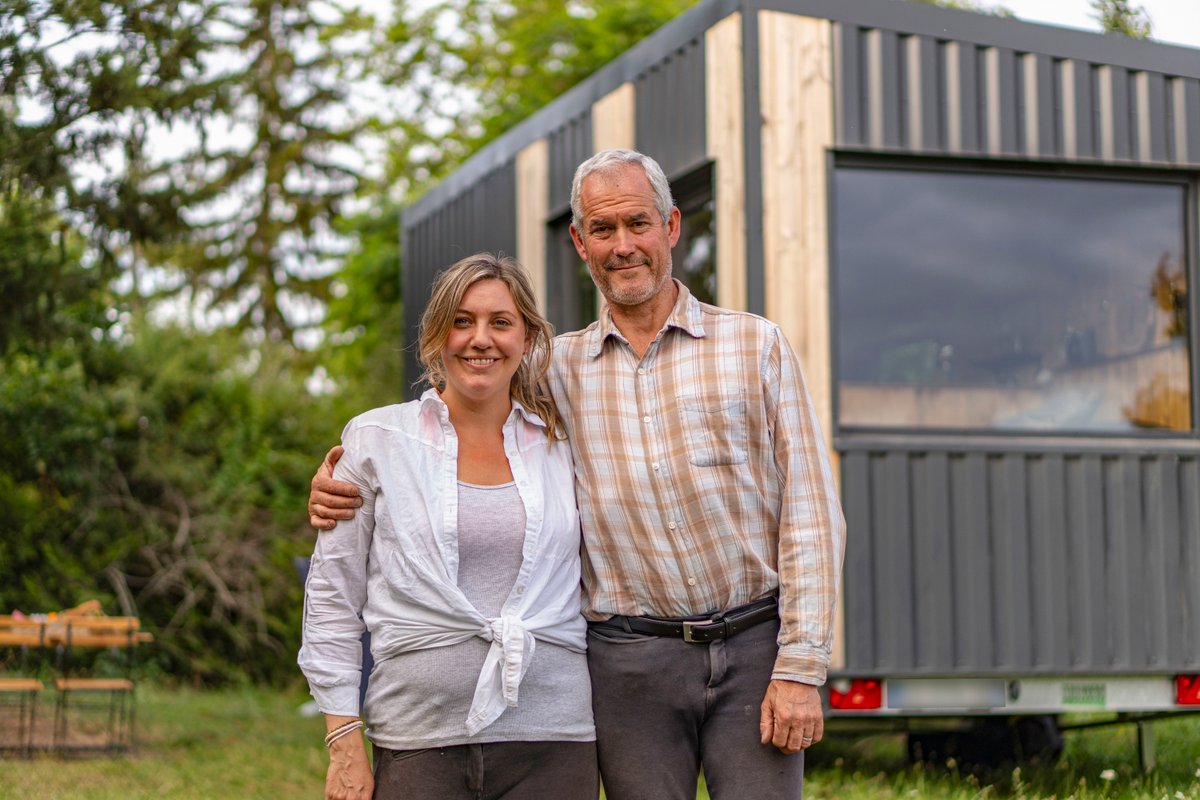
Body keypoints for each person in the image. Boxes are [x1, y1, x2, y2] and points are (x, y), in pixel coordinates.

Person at [309, 150, 846, 800]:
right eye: (603, 229)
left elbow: (811, 515)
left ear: (671, 227)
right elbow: (465, 395)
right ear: (579, 242)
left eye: (637, 224)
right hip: (629, 664)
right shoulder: (553, 372)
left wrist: (802, 664)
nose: (623, 246)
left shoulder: (754, 347)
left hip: (754, 645)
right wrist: (349, 477)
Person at [298, 253, 597, 800]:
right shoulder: (376, 441)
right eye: (462, 321)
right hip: (417, 739)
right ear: (437, 335)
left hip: (554, 742)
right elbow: (332, 600)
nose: (480, 338)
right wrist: (343, 740)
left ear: (526, 339)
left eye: (500, 322)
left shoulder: (565, 444)